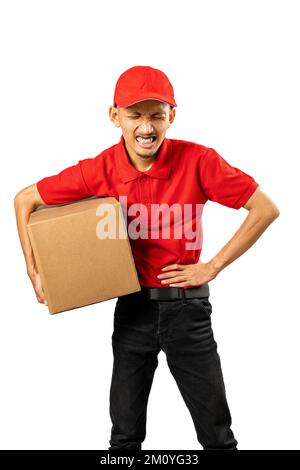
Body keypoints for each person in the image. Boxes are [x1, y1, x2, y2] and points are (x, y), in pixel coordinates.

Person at [14, 65, 280, 450]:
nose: (146, 126)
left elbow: (265, 208)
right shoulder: (100, 169)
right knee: (124, 437)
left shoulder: (199, 161)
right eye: (135, 114)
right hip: (132, 308)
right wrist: (33, 270)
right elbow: (26, 199)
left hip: (187, 310)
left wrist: (212, 267)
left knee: (218, 437)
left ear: (171, 116)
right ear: (114, 115)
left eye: (156, 114)